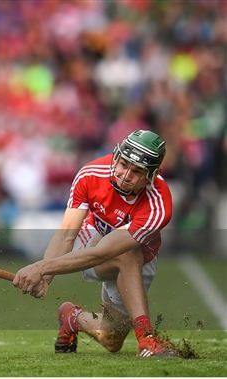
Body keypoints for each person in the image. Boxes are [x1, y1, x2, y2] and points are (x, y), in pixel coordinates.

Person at [13, 130, 176, 358]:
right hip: (91, 239)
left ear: (151, 175)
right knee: (128, 254)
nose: (125, 175)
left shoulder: (159, 204)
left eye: (136, 171)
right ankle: (147, 339)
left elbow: (104, 253)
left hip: (124, 256)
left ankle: (72, 317)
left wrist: (40, 268)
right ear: (116, 156)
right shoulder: (90, 174)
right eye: (123, 164)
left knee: (112, 339)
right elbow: (66, 235)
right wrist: (45, 276)